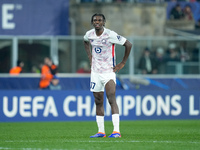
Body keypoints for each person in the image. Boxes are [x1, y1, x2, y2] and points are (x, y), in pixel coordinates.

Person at [83, 13, 132, 138]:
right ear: (92, 22)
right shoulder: (89, 34)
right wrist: (90, 56)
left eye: (99, 20)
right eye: (95, 20)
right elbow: (85, 41)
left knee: (111, 98)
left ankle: (116, 131)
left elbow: (128, 44)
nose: (97, 22)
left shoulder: (110, 34)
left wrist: (123, 63)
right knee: (98, 101)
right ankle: (101, 132)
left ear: (104, 22)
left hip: (108, 72)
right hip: (95, 73)